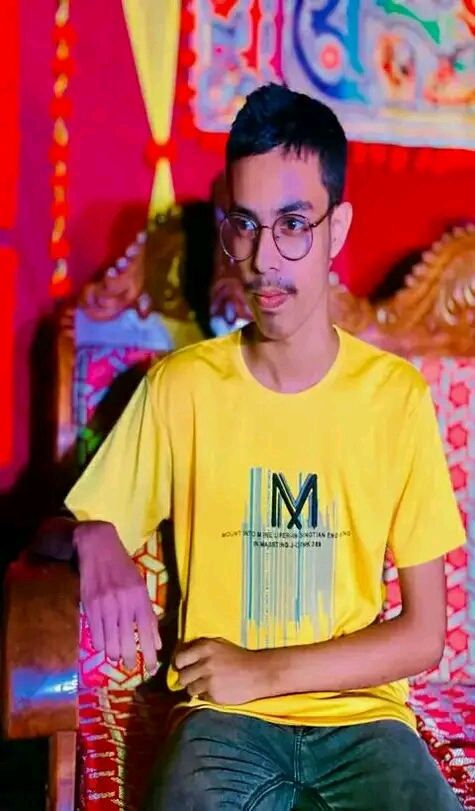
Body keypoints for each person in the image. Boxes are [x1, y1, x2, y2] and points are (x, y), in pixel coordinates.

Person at [38, 84, 466, 810]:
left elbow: (425, 633)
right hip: (221, 724)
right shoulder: (181, 388)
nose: (264, 259)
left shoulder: (394, 397)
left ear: (337, 228)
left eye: (293, 224)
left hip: (364, 722)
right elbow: (49, 534)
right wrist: (91, 534)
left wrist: (260, 670)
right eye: (245, 224)